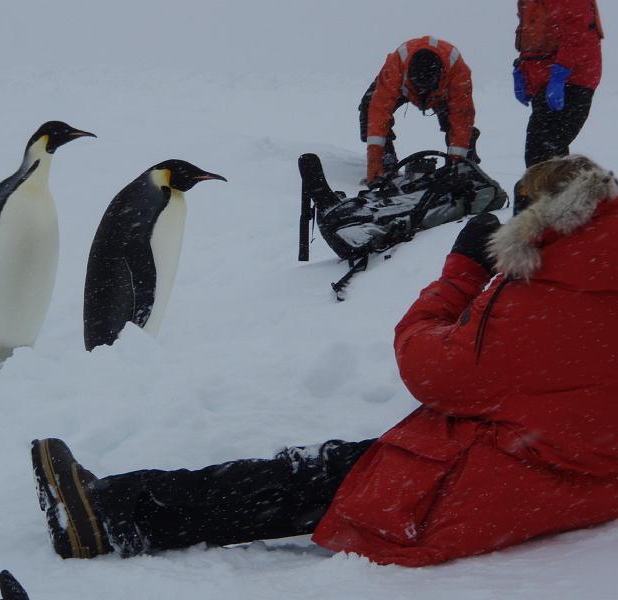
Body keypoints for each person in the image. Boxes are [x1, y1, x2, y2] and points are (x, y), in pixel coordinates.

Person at [31, 155, 618, 567]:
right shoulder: (593, 277)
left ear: (542, 218)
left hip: (504, 481)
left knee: (312, 477)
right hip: (573, 472)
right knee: (350, 464)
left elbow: (428, 368)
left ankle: (106, 515)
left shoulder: (542, 300)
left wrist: (463, 272)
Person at [359, 36, 479, 185]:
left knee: (458, 126)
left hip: (441, 94)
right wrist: (375, 161)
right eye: (419, 89)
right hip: (404, 87)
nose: (422, 95)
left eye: (426, 90)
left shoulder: (458, 72)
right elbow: (378, 113)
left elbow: (462, 118)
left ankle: (465, 164)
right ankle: (386, 162)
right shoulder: (395, 67)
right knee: (368, 106)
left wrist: (455, 168)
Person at [513, 1, 603, 170]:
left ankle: (555, 194)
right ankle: (562, 194)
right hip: (548, 83)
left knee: (543, 157)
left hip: (572, 81)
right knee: (545, 157)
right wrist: (523, 71)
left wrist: (561, 73)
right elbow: (535, 35)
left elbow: (578, 32)